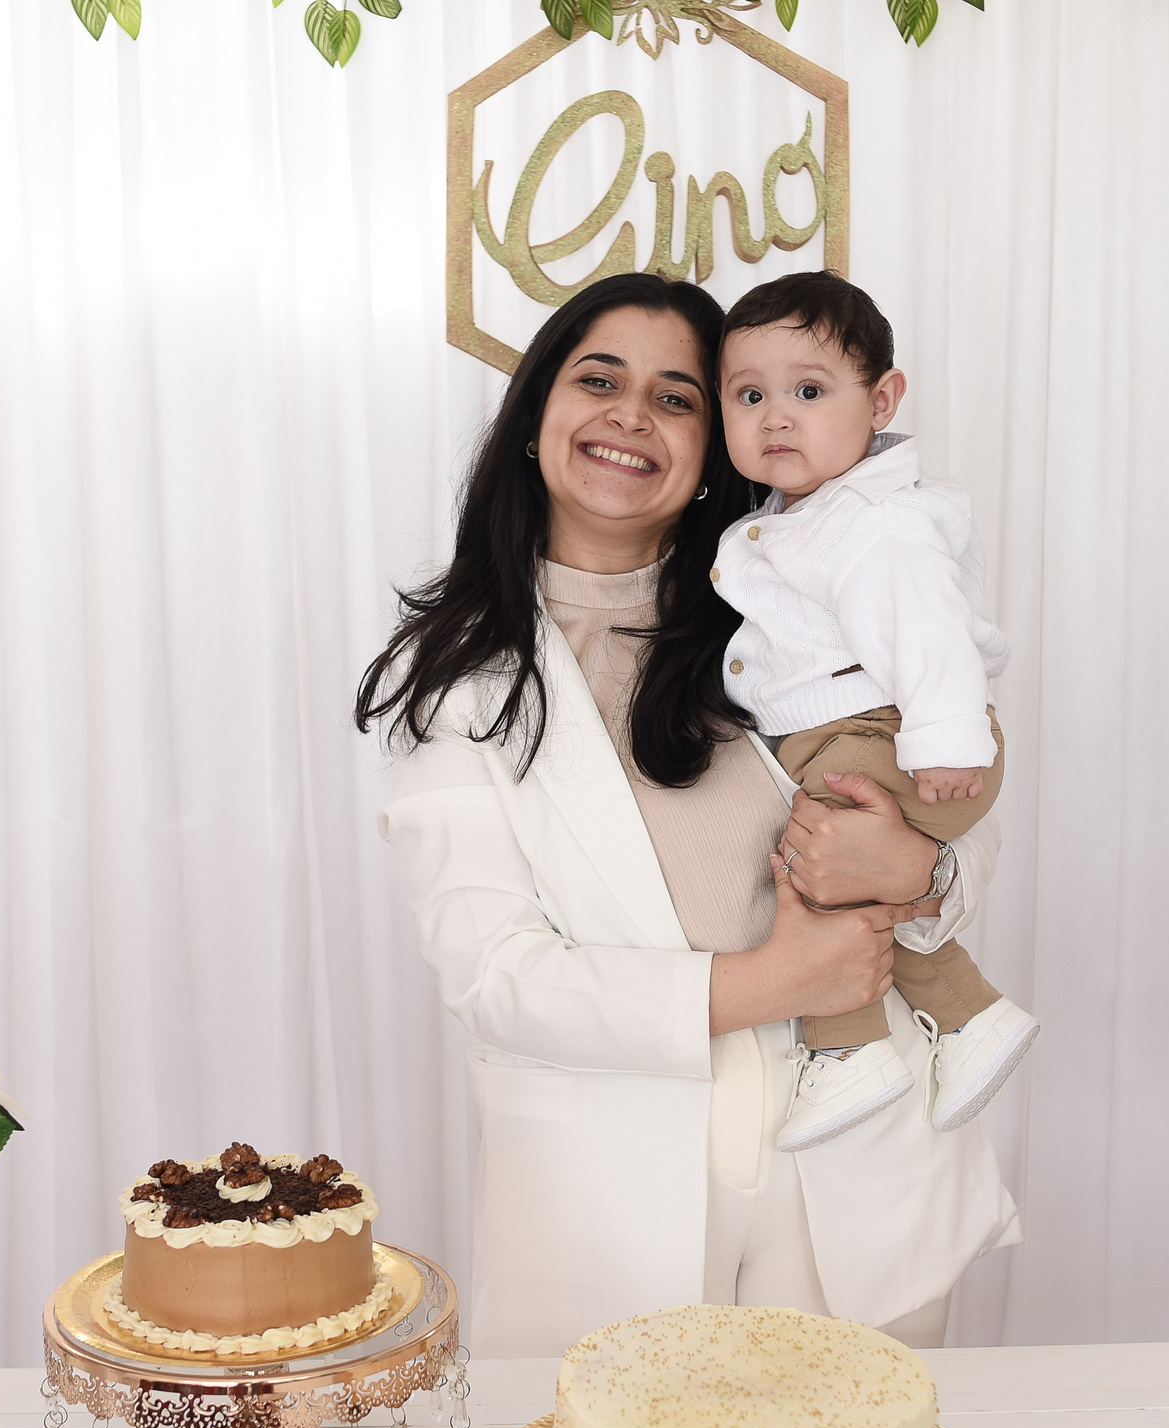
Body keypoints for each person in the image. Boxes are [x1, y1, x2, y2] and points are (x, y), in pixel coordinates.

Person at [356, 272, 1020, 1358]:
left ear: (718, 443)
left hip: (849, 1173)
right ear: (534, 418)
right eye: (598, 380)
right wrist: (770, 982)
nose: (630, 415)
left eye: (676, 397)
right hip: (617, 1200)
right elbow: (496, 977)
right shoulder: (463, 687)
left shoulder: (785, 615)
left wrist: (917, 867)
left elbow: (960, 792)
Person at [711, 273, 1042, 1151]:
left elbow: (930, 632)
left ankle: (846, 1045)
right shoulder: (810, 515)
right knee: (840, 862)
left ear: (882, 398)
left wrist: (945, 741)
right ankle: (967, 1015)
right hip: (861, 735)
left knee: (812, 855)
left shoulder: (876, 523)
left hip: (898, 737)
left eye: (809, 392)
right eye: (750, 396)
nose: (776, 417)